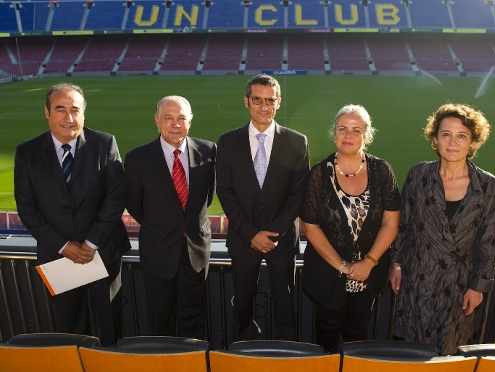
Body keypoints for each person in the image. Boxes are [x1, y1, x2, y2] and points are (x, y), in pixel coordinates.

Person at [14, 82, 130, 345]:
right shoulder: (27, 153)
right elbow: (27, 208)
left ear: (83, 114)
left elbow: (116, 198)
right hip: (58, 256)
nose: (69, 118)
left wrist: (90, 243)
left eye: (75, 110)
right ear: (47, 112)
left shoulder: (105, 143)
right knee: (71, 327)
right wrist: (64, 246)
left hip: (102, 252)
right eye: (60, 109)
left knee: (111, 323)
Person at [390, 103, 495, 355]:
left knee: (448, 356)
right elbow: (403, 224)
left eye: (462, 135)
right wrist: (395, 264)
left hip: (459, 288)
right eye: (446, 134)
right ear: (435, 138)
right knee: (411, 353)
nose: (453, 142)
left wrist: (477, 287)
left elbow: (488, 241)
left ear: (473, 142)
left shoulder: (488, 186)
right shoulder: (418, 175)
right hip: (417, 280)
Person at [216, 74, 310, 342]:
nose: (263, 106)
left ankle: (288, 356)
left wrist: (272, 233)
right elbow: (225, 191)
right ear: (247, 101)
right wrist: (250, 234)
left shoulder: (296, 141)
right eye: (257, 99)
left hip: (281, 243)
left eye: (270, 100)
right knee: (242, 308)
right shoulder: (228, 142)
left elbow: (298, 193)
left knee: (285, 308)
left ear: (278, 103)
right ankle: (243, 354)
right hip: (243, 241)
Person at [300, 104, 400, 353]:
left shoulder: (382, 171)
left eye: (356, 130)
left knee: (358, 338)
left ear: (367, 135)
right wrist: (343, 267)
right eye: (342, 128)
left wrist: (369, 262)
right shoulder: (319, 174)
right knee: (326, 337)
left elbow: (391, 223)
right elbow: (310, 227)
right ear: (334, 132)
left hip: (369, 278)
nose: (348, 135)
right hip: (328, 275)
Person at [125, 96, 216, 339]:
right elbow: (135, 204)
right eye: (168, 118)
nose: (175, 124)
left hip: (195, 251)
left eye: (181, 118)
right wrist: (164, 224)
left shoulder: (208, 151)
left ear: (191, 121)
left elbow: (207, 197)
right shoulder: (137, 158)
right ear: (157, 121)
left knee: (194, 322)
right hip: (157, 252)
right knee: (160, 321)